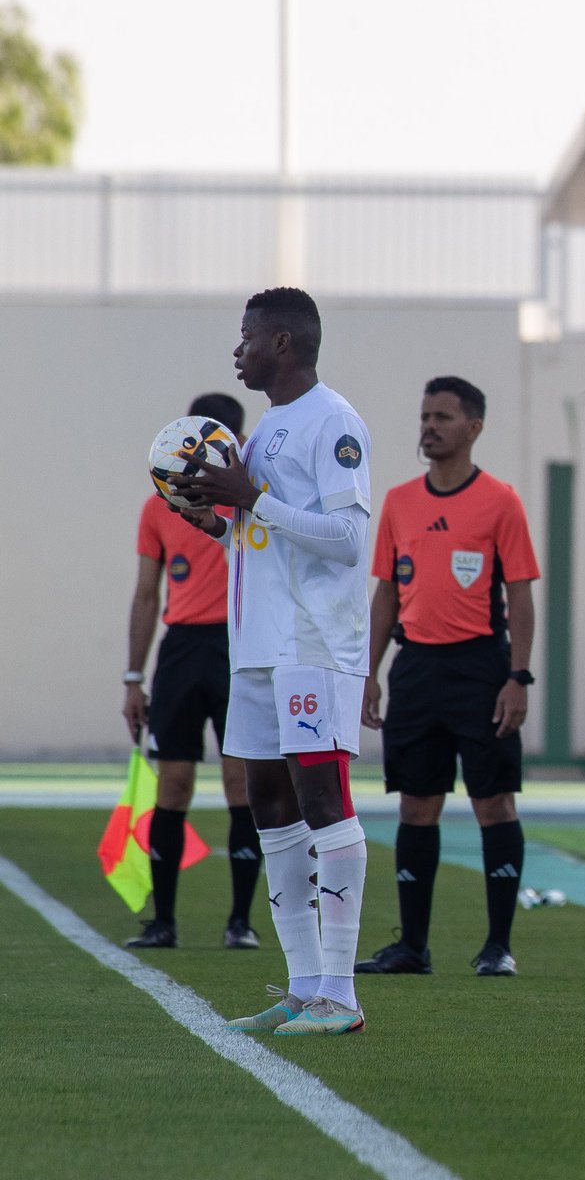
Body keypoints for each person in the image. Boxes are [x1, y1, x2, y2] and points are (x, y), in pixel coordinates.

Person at [170, 287, 373, 1036]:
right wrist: (217, 523)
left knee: (323, 802)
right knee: (270, 808)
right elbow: (265, 536)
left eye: (247, 336)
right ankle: (303, 987)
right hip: (256, 646)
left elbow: (347, 539)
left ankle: (342, 996)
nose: (238, 350)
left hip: (312, 645)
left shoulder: (333, 420)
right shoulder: (264, 430)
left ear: (282, 343)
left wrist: (251, 497)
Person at [355, 375, 539, 979]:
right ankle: (412, 946)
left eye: (443, 417)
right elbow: (386, 593)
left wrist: (518, 677)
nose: (429, 427)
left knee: (495, 803)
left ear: (474, 427)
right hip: (417, 670)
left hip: (481, 668)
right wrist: (370, 672)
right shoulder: (399, 502)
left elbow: (520, 597)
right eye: (425, 416)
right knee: (416, 805)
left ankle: (497, 947)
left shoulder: (501, 501)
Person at [122, 392, 263, 950]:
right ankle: (163, 921)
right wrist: (133, 678)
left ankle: (241, 922)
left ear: (236, 442)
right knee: (173, 784)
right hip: (181, 651)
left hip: (237, 644)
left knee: (240, 783)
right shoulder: (160, 504)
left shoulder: (253, 498)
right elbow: (145, 594)